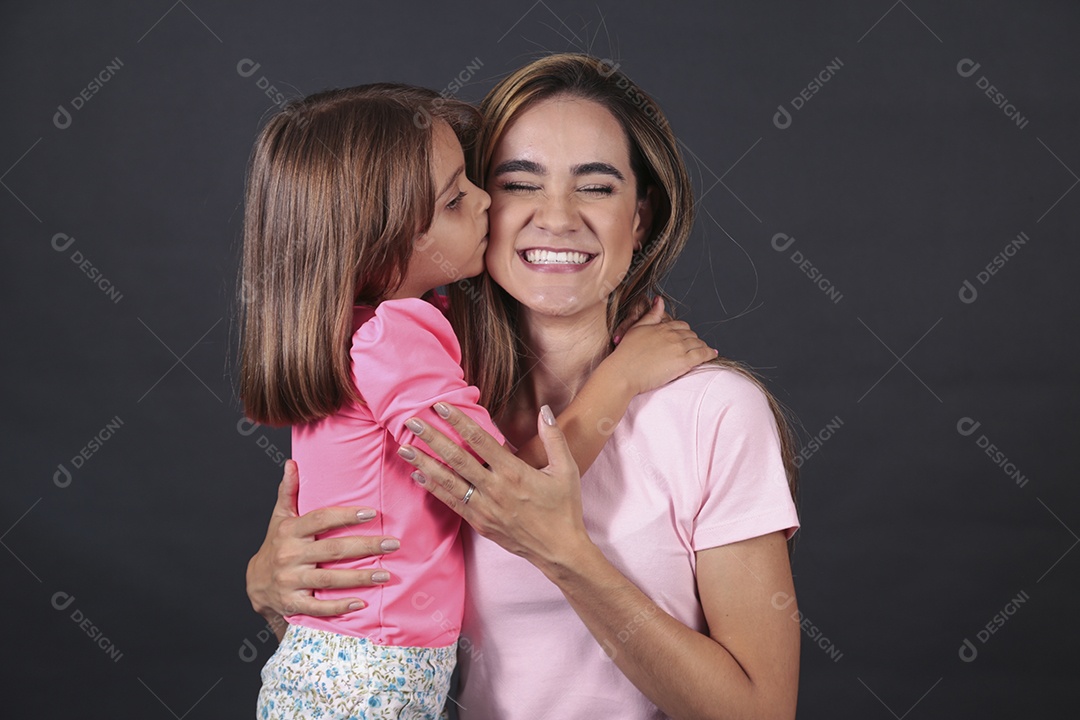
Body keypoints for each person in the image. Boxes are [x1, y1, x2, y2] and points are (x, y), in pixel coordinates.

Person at [247, 55, 801, 719]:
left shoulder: (713, 412)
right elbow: (361, 626)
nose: (558, 217)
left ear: (641, 219)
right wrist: (270, 589)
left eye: (596, 187)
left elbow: (760, 713)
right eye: (517, 183)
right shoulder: (431, 389)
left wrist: (569, 556)